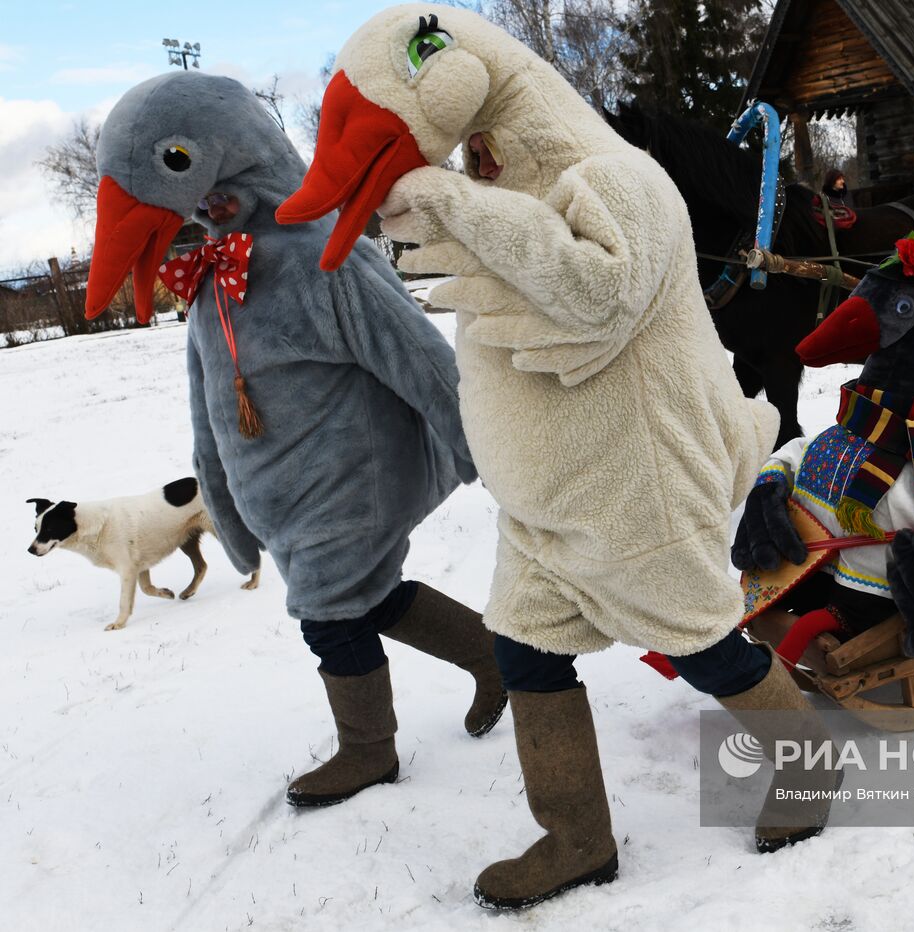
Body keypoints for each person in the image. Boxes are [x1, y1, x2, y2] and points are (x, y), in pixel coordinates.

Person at [278, 6, 842, 910]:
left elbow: (598, 294)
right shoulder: (511, 183)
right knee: (526, 651)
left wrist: (454, 201)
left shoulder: (621, 177)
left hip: (635, 489)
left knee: (697, 641)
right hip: (544, 505)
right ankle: (576, 836)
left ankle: (809, 768)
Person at [84, 72, 505, 809]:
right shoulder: (220, 273)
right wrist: (222, 501)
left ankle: (367, 751)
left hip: (349, 479)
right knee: (368, 597)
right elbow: (207, 405)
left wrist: (492, 454)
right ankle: (493, 657)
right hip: (283, 493)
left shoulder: (322, 253)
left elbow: (420, 356)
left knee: (327, 612)